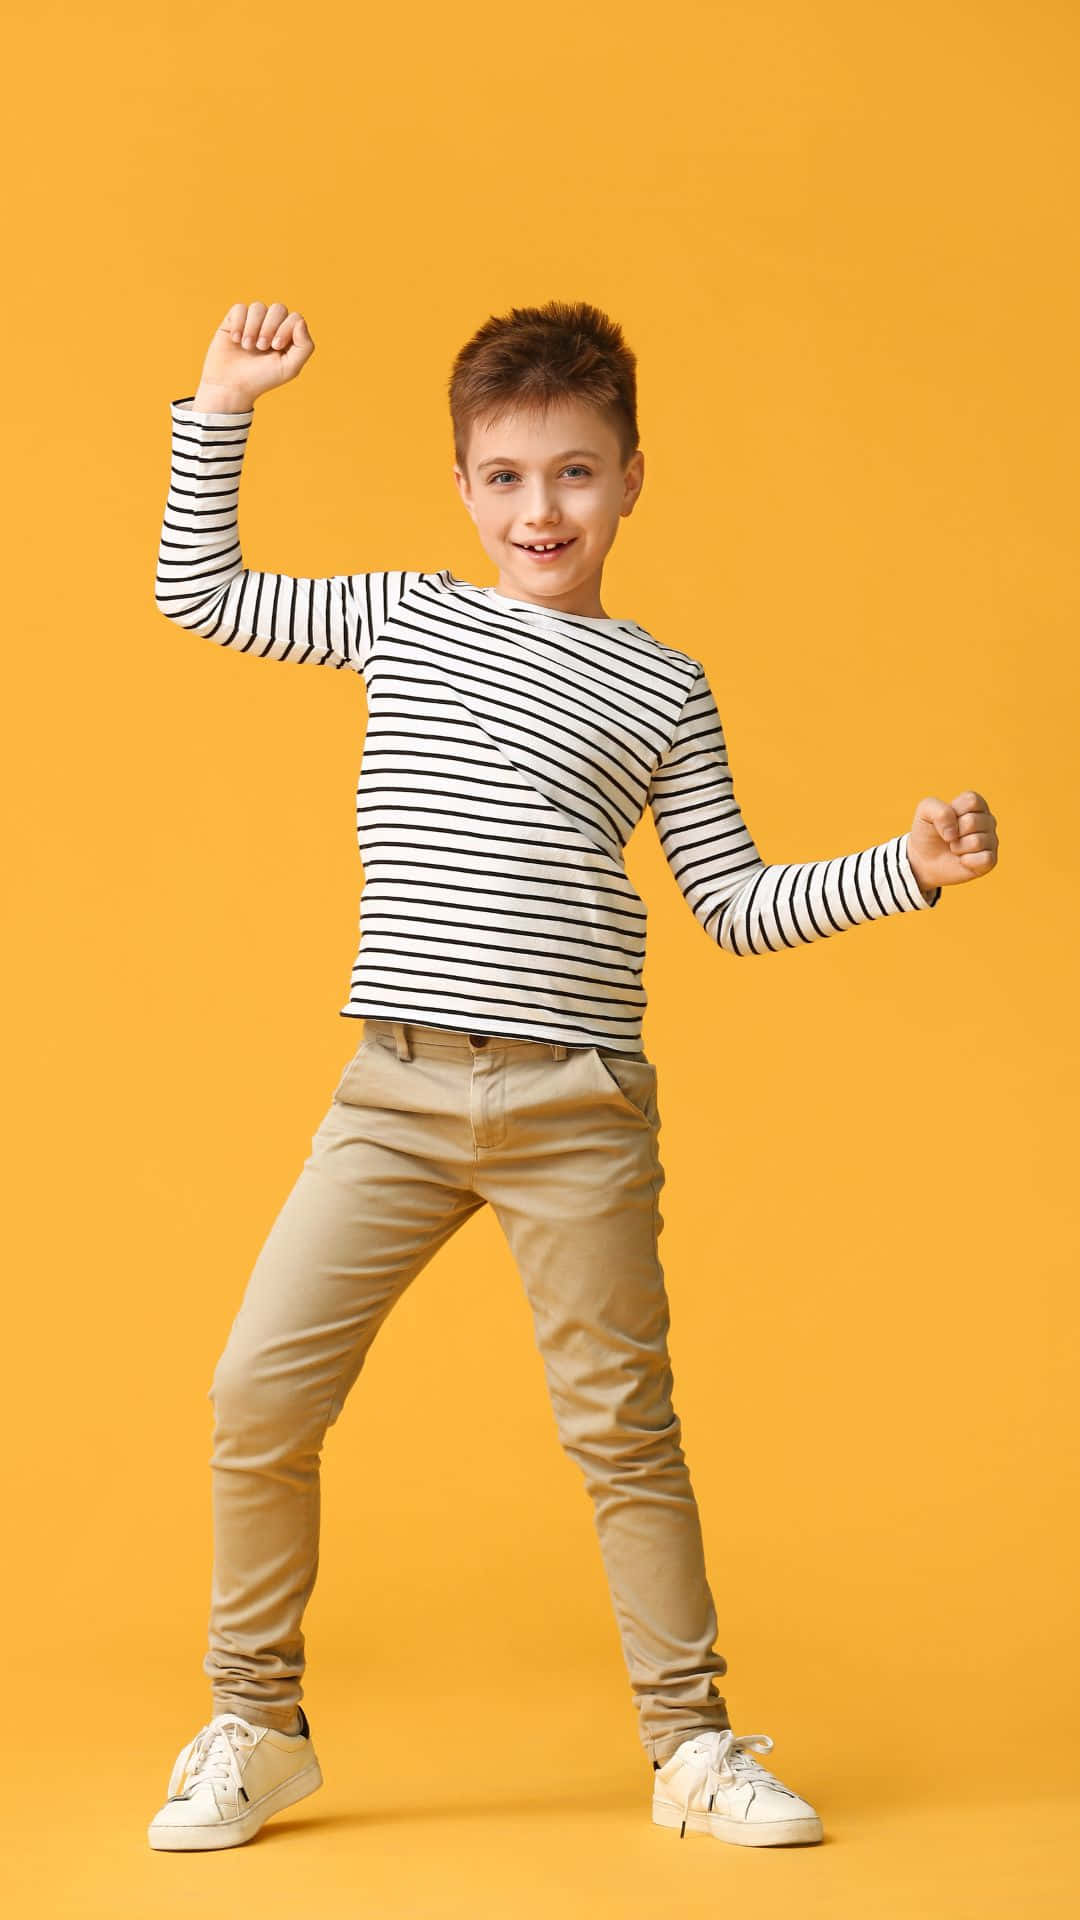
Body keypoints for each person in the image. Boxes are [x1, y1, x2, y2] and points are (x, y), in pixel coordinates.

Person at [146, 297, 998, 1854]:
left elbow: (735, 905)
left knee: (624, 1435)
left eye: (577, 474)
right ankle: (255, 1726)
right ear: (464, 488)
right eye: (509, 477)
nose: (543, 509)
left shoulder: (665, 690)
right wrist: (222, 405)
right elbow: (199, 590)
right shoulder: (403, 613)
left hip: (575, 1109)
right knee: (258, 1395)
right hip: (392, 1096)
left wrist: (907, 867)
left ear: (632, 479)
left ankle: (690, 1746)